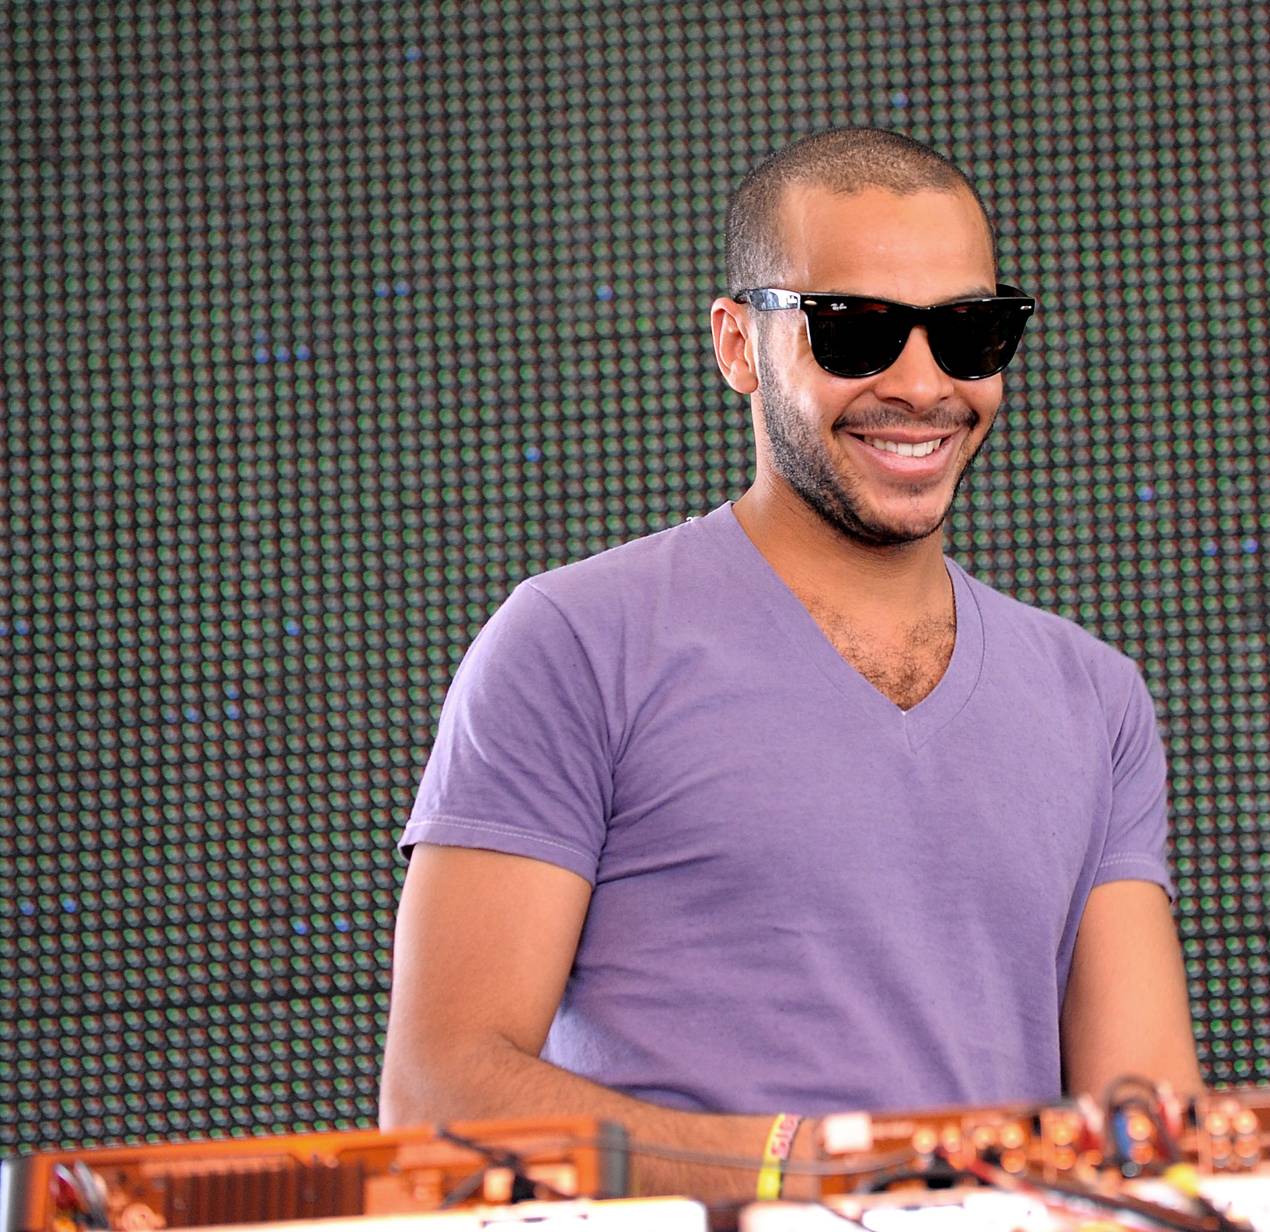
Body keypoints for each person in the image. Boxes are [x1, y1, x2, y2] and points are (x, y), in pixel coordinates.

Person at [379, 127, 1201, 1201]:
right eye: (856, 331)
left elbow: (1149, 1138)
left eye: (971, 332)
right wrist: (816, 1173)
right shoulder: (574, 643)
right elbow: (441, 1095)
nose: (924, 384)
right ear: (737, 345)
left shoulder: (1095, 696)